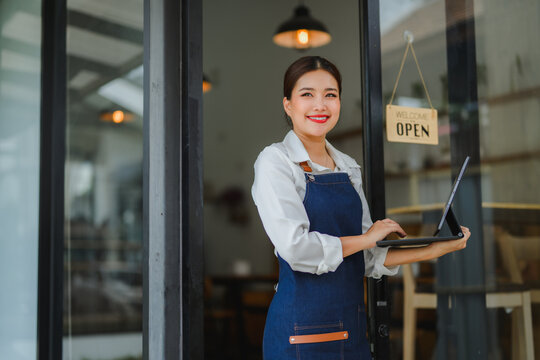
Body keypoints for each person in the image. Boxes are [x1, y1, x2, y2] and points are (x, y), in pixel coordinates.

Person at [251, 56, 470, 360]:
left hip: (351, 331)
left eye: (331, 94)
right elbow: (296, 248)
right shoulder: (276, 162)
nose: (320, 105)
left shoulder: (347, 167)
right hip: (299, 332)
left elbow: (368, 257)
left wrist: (436, 250)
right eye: (307, 94)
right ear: (288, 104)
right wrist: (368, 238)